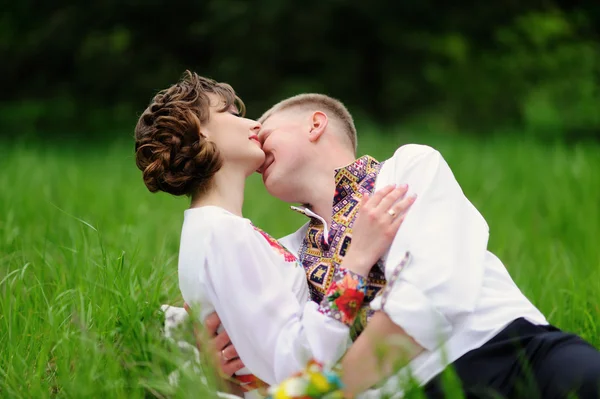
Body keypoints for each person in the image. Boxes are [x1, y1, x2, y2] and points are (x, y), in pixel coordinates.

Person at [208, 93, 600, 398]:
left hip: (509, 348)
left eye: (266, 132)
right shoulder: (285, 255)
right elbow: (290, 358)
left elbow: (435, 289)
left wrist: (332, 390)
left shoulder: (407, 169)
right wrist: (235, 363)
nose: (257, 149)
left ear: (315, 124)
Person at [134, 71, 415, 395]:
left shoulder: (215, 231)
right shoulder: (221, 234)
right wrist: (356, 263)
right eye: (231, 114)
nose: (255, 126)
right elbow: (299, 362)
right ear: (198, 129)